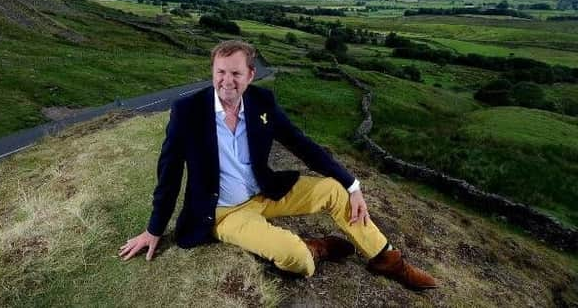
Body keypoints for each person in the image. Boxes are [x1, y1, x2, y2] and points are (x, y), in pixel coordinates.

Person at [119, 40, 437, 290]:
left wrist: (352, 185)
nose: (226, 81)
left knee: (333, 190)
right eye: (220, 72)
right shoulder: (187, 111)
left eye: (236, 73)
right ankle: (316, 248)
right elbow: (169, 172)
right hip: (224, 213)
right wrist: (154, 229)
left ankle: (386, 259)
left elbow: (301, 144)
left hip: (265, 192)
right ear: (212, 71)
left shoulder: (262, 103)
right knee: (295, 259)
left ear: (250, 75)